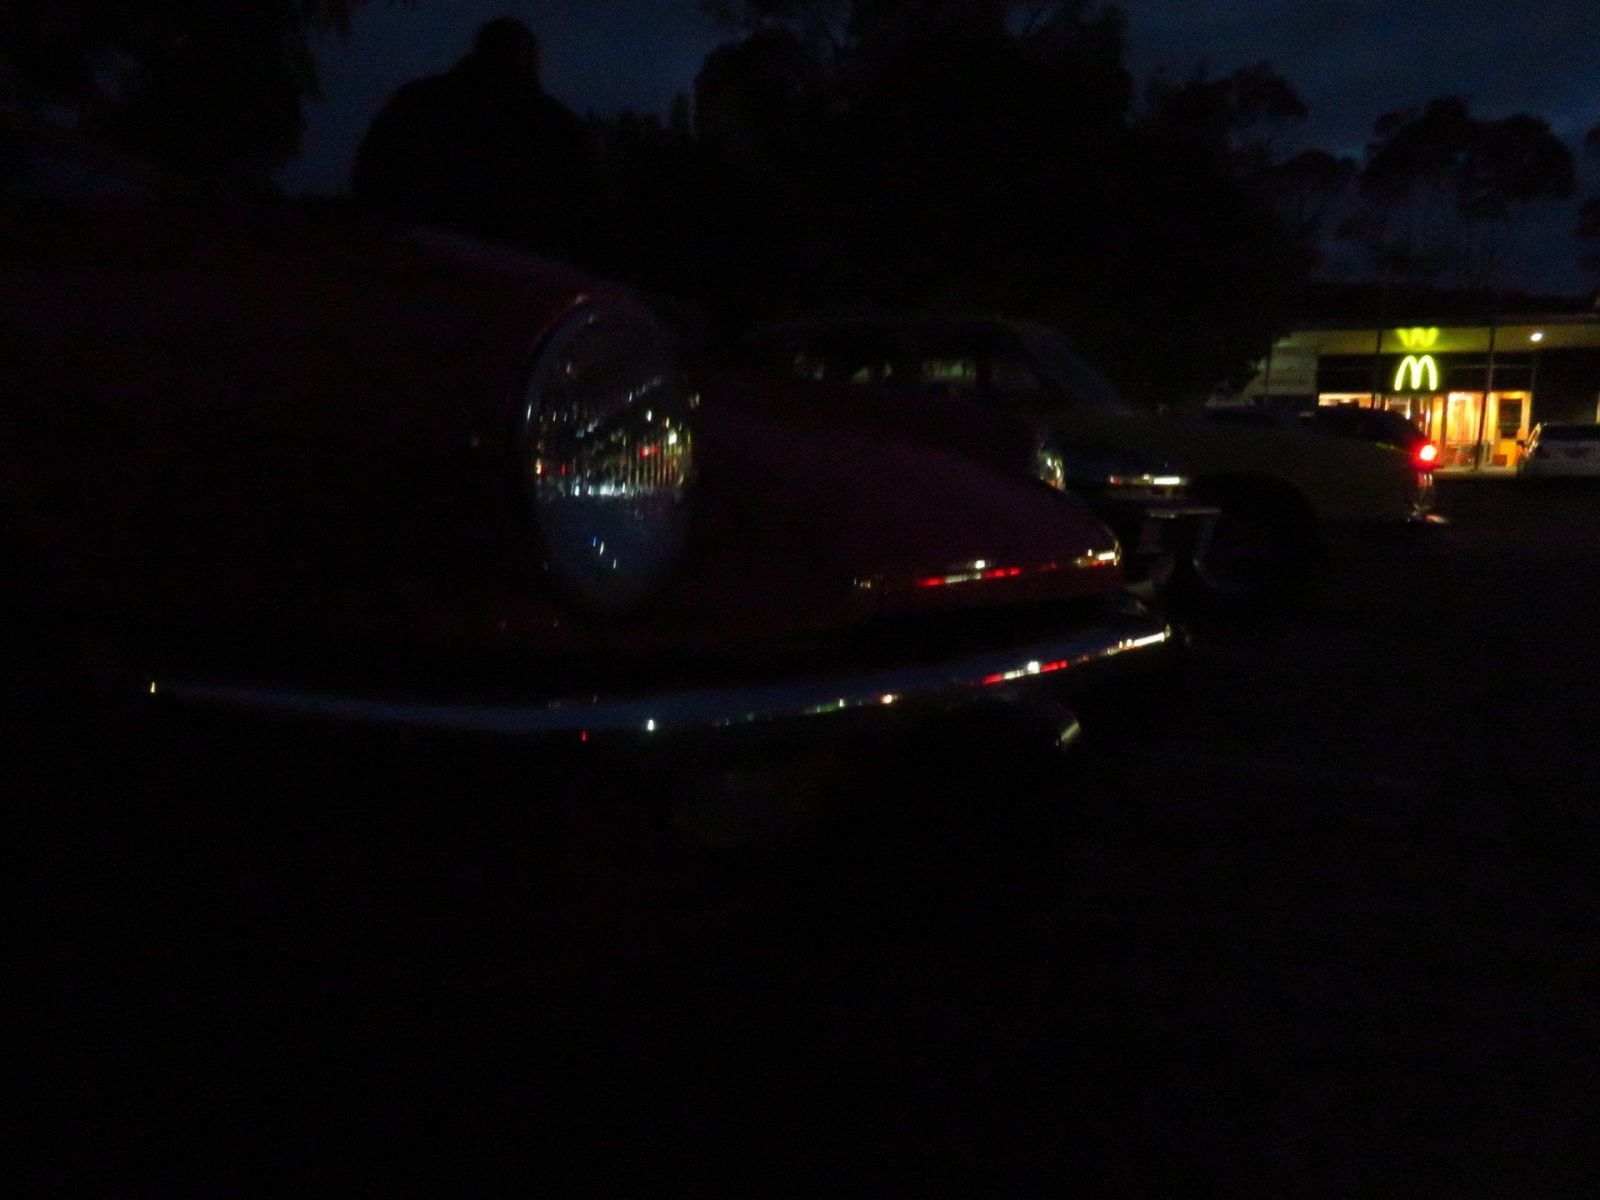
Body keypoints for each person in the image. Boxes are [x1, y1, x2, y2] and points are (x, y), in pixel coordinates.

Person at [352, 18, 599, 263]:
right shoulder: (557, 126)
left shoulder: (418, 101)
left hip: (417, 255)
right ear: (530, 59)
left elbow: (372, 171)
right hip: (515, 265)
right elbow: (585, 206)